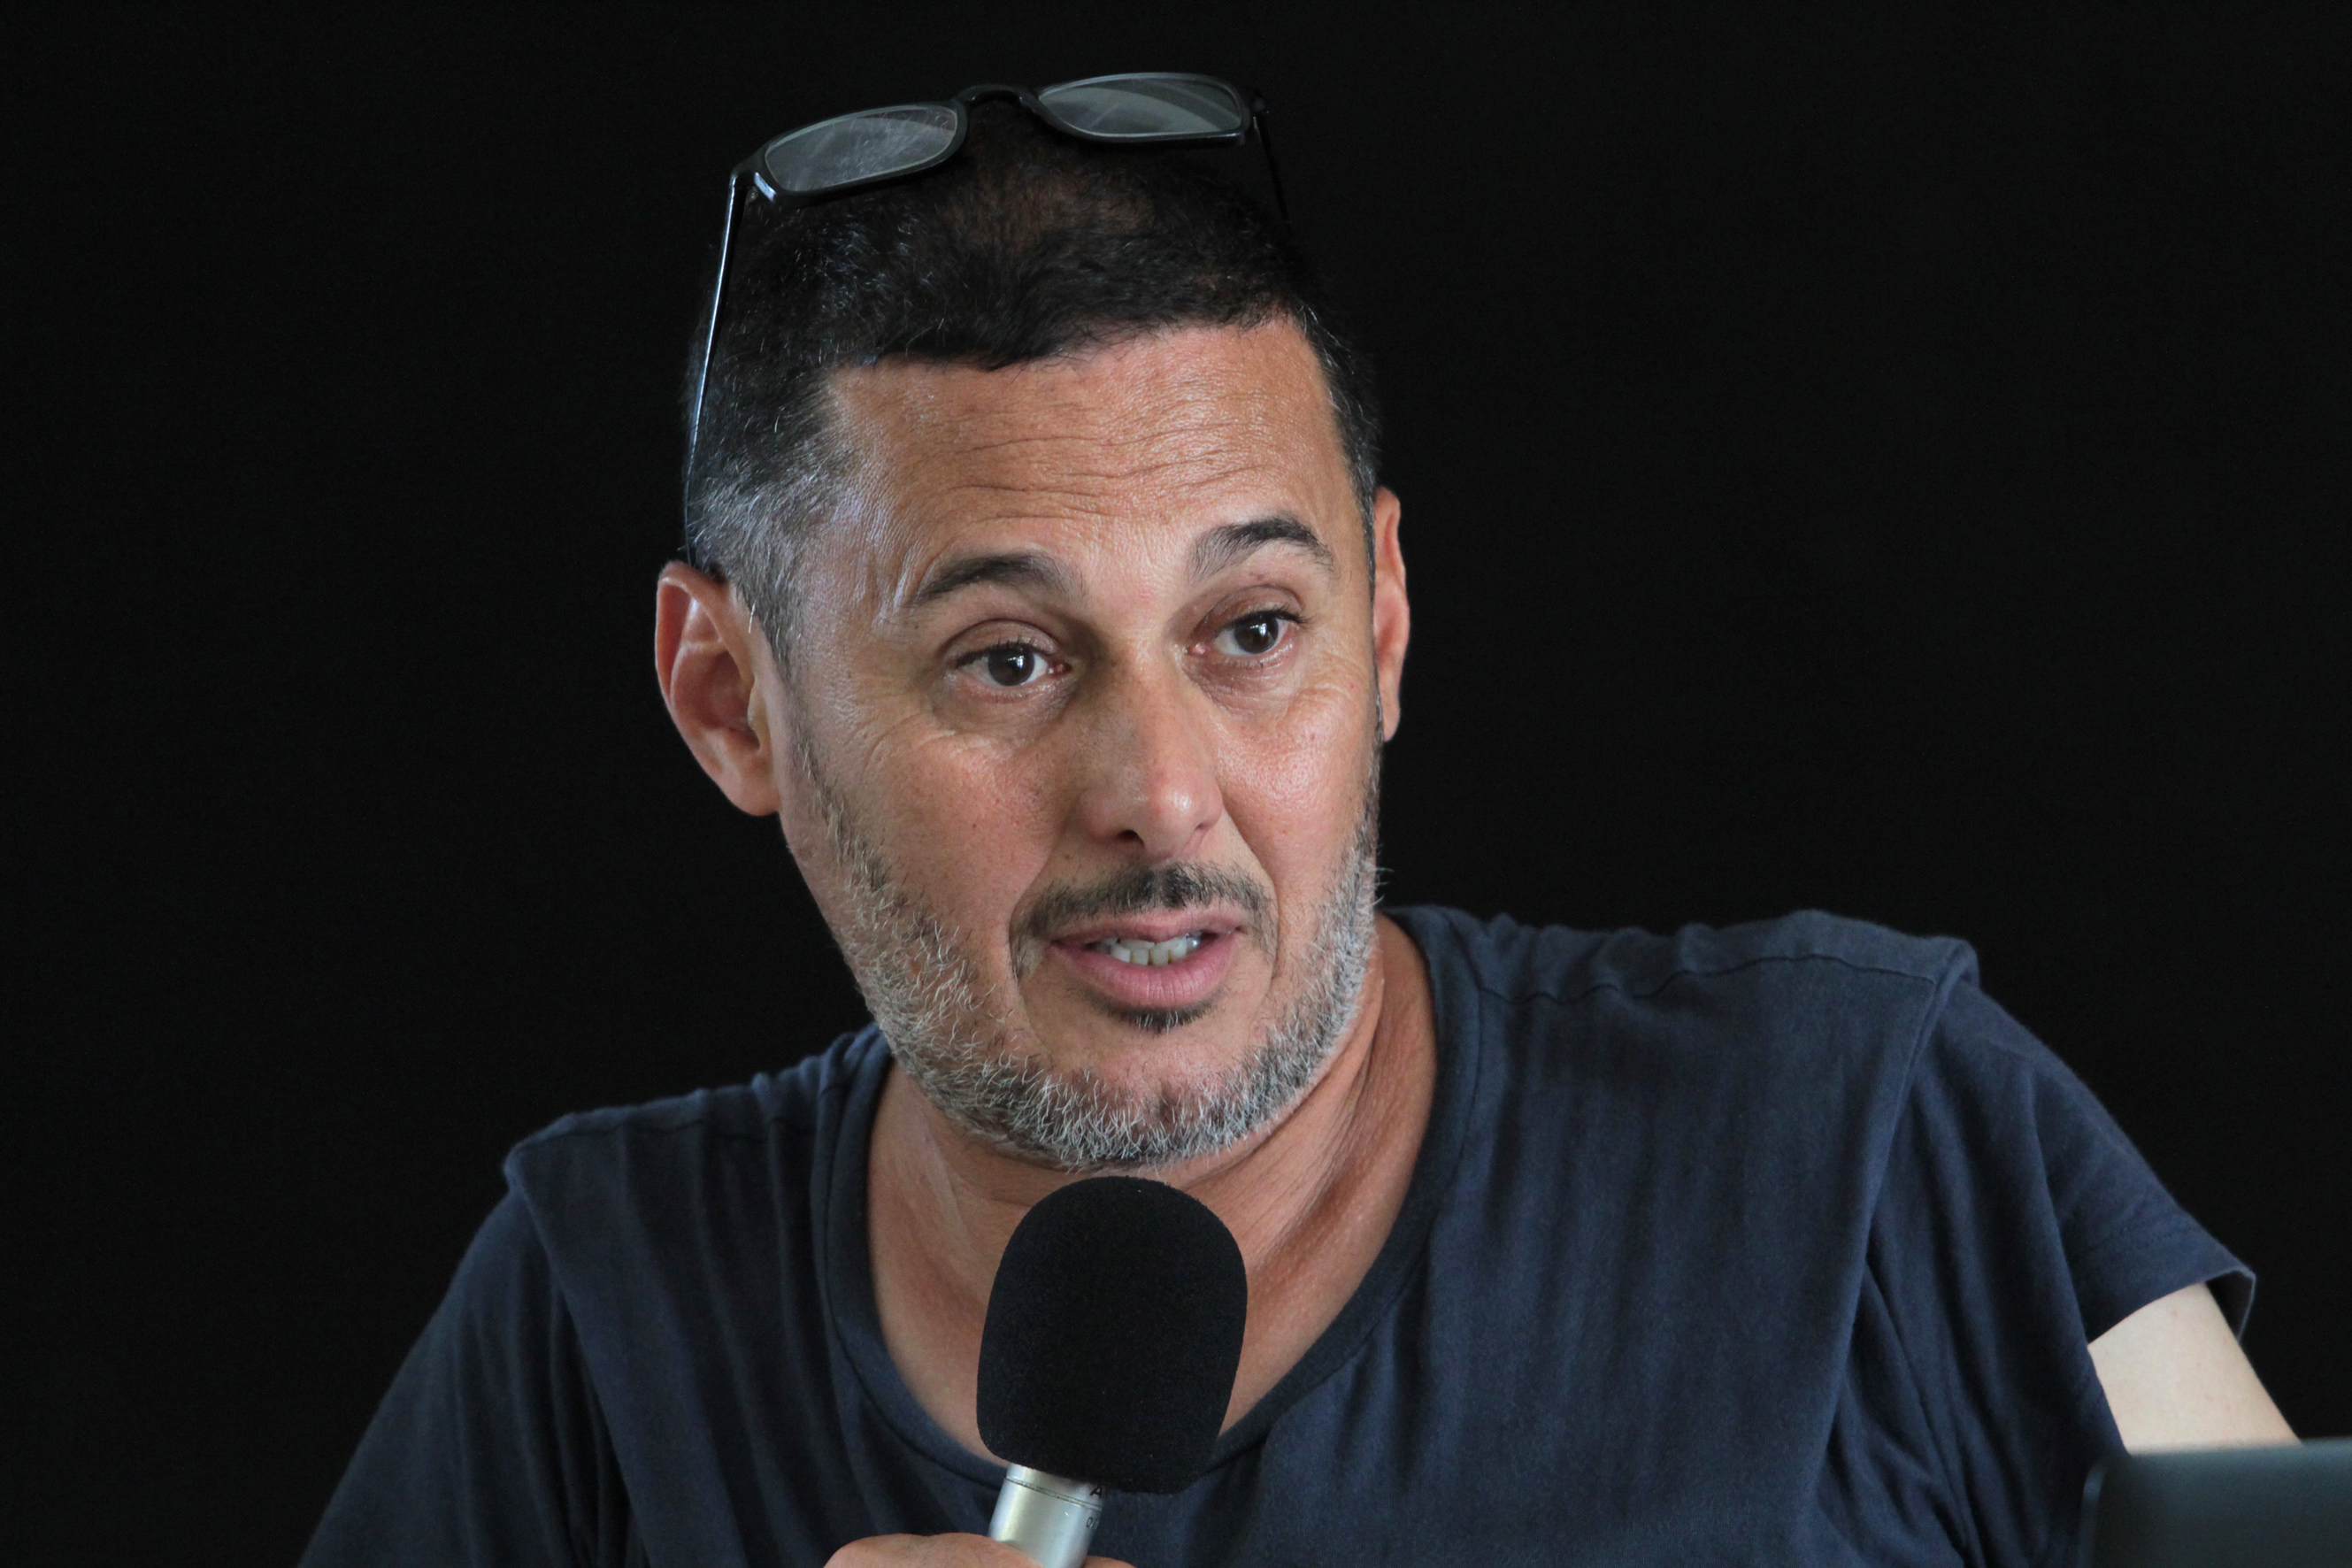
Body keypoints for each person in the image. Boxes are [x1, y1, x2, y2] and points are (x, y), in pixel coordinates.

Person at [302, 80, 2294, 1568]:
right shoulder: (605, 1312)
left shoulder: (1867, 1133)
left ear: (1386, 623)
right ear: (730, 701)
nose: (1163, 793)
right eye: (1008, 659)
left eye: (1251, 630)